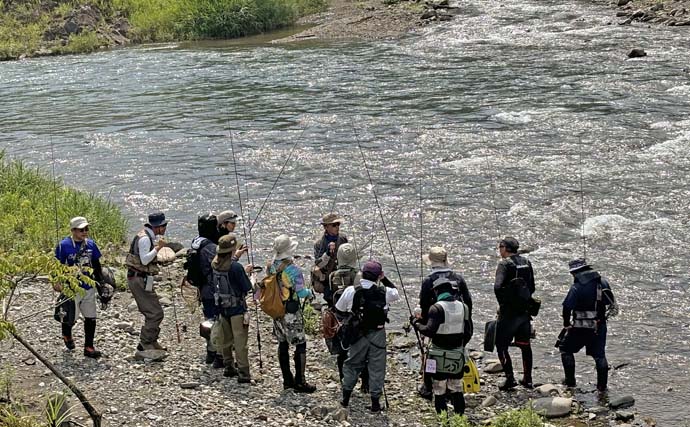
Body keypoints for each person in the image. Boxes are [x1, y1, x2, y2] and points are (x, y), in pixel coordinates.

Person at [337, 260, 399, 413]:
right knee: (377, 367)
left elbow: (339, 308)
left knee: (352, 364)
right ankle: (375, 404)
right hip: (378, 334)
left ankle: (345, 399)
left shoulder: (351, 290)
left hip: (357, 334)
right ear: (378, 276)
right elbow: (396, 292)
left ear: (362, 274)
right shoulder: (385, 292)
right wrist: (384, 278)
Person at [417, 246, 473, 399]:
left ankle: (429, 387)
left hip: (435, 325)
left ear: (431, 262)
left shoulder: (429, 281)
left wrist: (421, 323)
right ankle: (453, 386)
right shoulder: (458, 278)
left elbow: (424, 305)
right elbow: (468, 302)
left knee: (431, 356)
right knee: (455, 352)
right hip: (458, 324)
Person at [412, 277, 471, 415]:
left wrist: (415, 323)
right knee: (456, 388)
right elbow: (468, 332)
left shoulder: (436, 308)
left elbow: (429, 331)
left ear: (436, 291)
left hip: (438, 355)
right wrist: (459, 346)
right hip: (457, 355)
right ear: (452, 291)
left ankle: (443, 421)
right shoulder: (464, 307)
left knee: (439, 390)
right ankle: (460, 419)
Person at [559, 258, 616, 392]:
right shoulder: (602, 282)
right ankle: (602, 388)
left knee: (565, 349)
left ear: (576, 273)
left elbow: (567, 307)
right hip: (598, 327)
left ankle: (570, 382)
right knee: (599, 356)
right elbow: (610, 303)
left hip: (579, 328)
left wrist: (566, 324)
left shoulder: (576, 287)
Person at [269, 234, 317, 393]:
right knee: (300, 344)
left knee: (282, 344)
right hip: (291, 312)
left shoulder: (271, 266)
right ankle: (300, 381)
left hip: (277, 310)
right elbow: (301, 292)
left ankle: (287, 380)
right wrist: (310, 293)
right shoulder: (293, 269)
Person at [54, 216, 104, 358]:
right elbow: (56, 265)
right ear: (73, 230)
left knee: (91, 317)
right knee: (70, 317)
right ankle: (67, 334)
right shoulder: (64, 245)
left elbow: (96, 265)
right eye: (81, 230)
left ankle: (89, 347)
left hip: (88, 286)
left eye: (86, 229)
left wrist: (101, 283)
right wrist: (56, 281)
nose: (84, 232)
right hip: (71, 287)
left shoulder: (91, 245)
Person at [493, 237, 535, 390]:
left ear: (505, 248)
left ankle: (510, 378)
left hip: (508, 313)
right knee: (525, 345)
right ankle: (528, 379)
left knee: (501, 345)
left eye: (500, 247)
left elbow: (497, 287)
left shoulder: (504, 264)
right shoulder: (527, 262)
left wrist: (503, 303)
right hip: (524, 312)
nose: (499, 250)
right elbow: (532, 287)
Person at [211, 234, 253, 383]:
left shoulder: (215, 263)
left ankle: (228, 367)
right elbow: (246, 287)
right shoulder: (236, 267)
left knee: (226, 339)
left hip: (222, 308)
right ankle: (243, 373)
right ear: (231, 250)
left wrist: (236, 256)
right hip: (237, 309)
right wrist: (248, 274)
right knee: (240, 342)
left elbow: (227, 267)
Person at [326, 243, 368, 390]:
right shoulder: (359, 275)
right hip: (357, 318)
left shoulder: (332, 276)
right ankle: (365, 383)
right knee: (362, 351)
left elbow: (328, 295)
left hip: (339, 318)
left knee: (342, 352)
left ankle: (344, 380)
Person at [125, 212, 168, 352]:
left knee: (154, 311)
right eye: (164, 226)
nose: (165, 228)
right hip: (138, 279)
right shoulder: (145, 239)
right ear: (158, 227)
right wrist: (158, 248)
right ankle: (145, 342)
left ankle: (152, 341)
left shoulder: (146, 236)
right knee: (155, 313)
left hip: (141, 278)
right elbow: (144, 260)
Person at [190, 213, 222, 367]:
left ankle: (211, 351)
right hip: (212, 289)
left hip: (202, 288)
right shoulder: (211, 248)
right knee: (216, 322)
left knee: (209, 319)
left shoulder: (196, 242)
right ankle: (214, 354)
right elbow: (220, 265)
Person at [313, 213, 348, 306]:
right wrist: (328, 253)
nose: (337, 227)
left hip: (341, 272)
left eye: (338, 224)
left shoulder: (343, 238)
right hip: (326, 276)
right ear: (326, 227)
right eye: (334, 225)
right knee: (330, 298)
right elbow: (318, 264)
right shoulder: (319, 243)